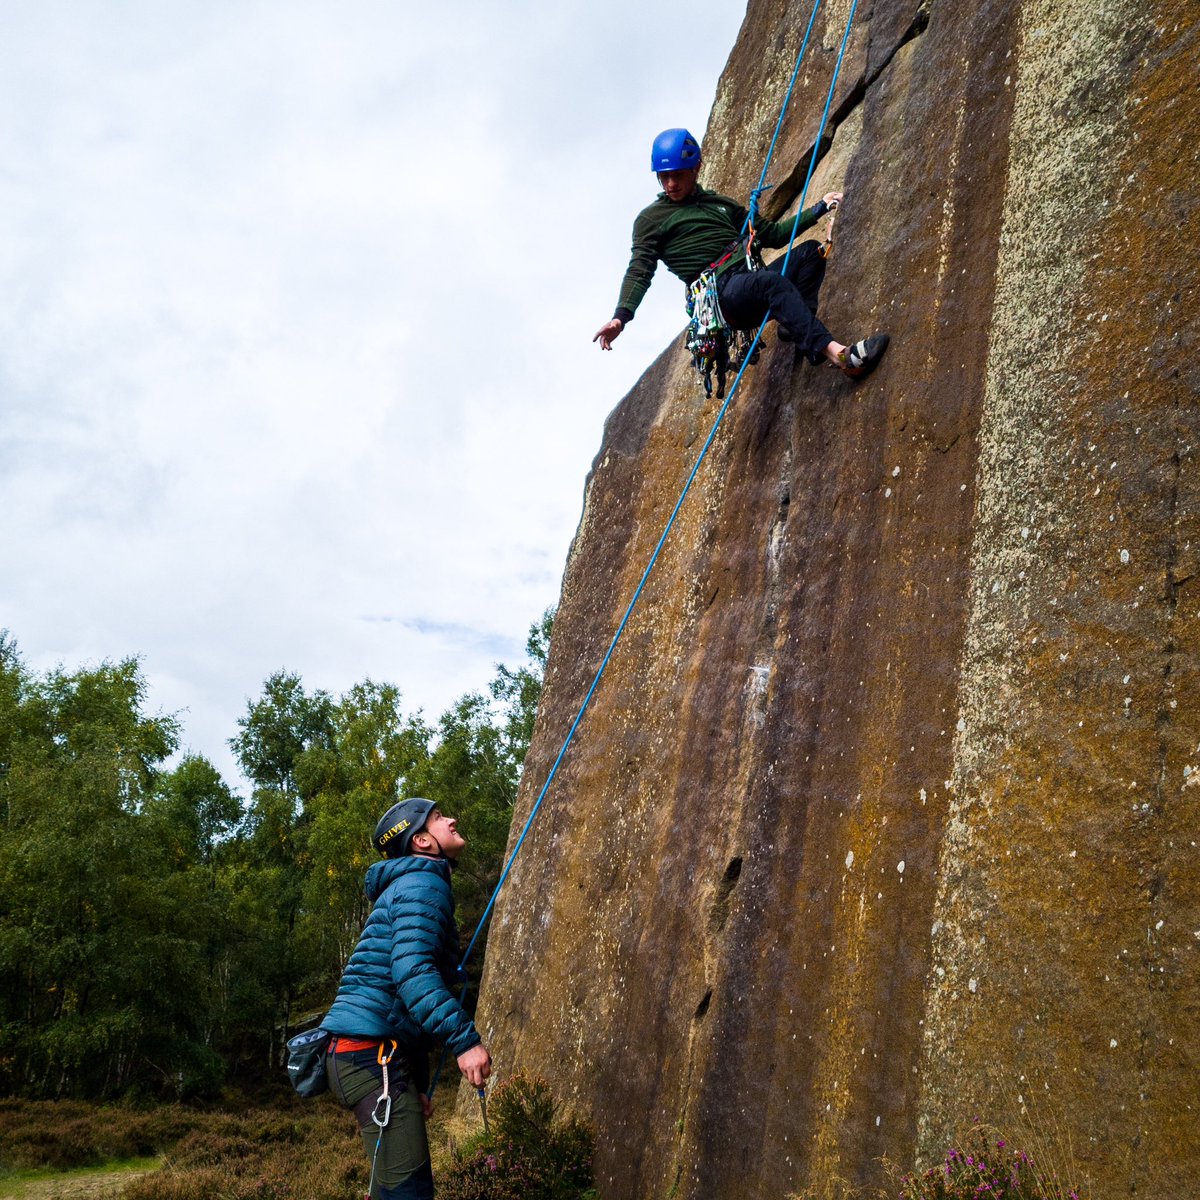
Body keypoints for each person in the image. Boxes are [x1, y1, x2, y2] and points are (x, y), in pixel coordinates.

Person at [594, 127, 889, 378]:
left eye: (678, 175)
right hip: (722, 295)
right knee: (768, 283)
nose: (671, 184)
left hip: (748, 282)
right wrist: (621, 317)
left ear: (696, 168)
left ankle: (796, 327)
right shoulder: (651, 219)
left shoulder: (720, 204)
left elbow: (772, 235)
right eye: (664, 176)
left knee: (810, 253)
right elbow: (640, 269)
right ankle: (839, 355)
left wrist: (818, 208)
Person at [322, 798, 492, 1200]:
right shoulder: (423, 883)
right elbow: (413, 975)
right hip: (369, 1056)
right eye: (437, 818)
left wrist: (414, 1079)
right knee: (408, 1193)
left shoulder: (410, 883)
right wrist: (465, 1042)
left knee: (393, 1190)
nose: (451, 819)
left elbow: (399, 1002)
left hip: (360, 1055)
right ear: (421, 841)